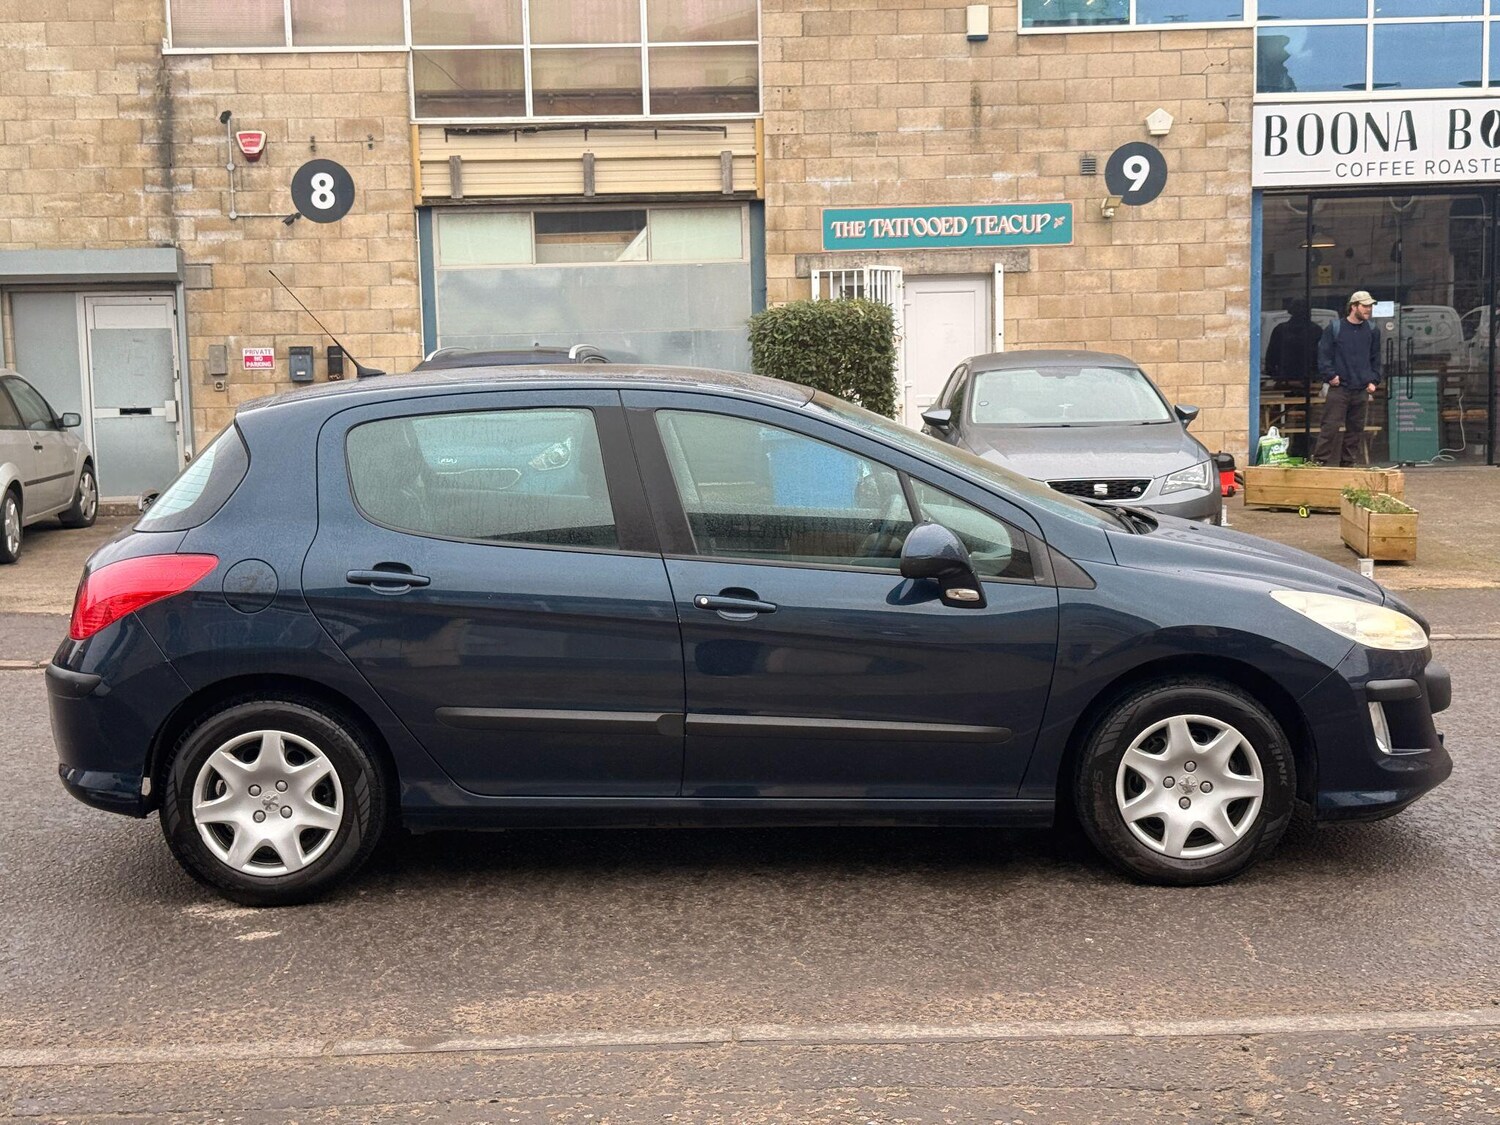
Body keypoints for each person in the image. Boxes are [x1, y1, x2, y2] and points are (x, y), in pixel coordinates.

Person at [1313, 290, 1381, 467]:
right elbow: (1323, 355)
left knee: (1356, 430)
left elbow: (1376, 358)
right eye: (1365, 306)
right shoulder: (1335, 328)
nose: (1368, 310)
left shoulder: (1373, 330)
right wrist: (1331, 376)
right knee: (1330, 427)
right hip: (1339, 388)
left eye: (1370, 306)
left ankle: (1348, 464)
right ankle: (1320, 462)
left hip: (1361, 388)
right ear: (1353, 306)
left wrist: (1374, 380)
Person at [1265, 299, 1322, 387]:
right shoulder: (1315, 330)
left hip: (1293, 377)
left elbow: (1271, 356)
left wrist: (1274, 374)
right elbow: (1271, 355)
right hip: (1298, 378)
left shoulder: (1281, 329)